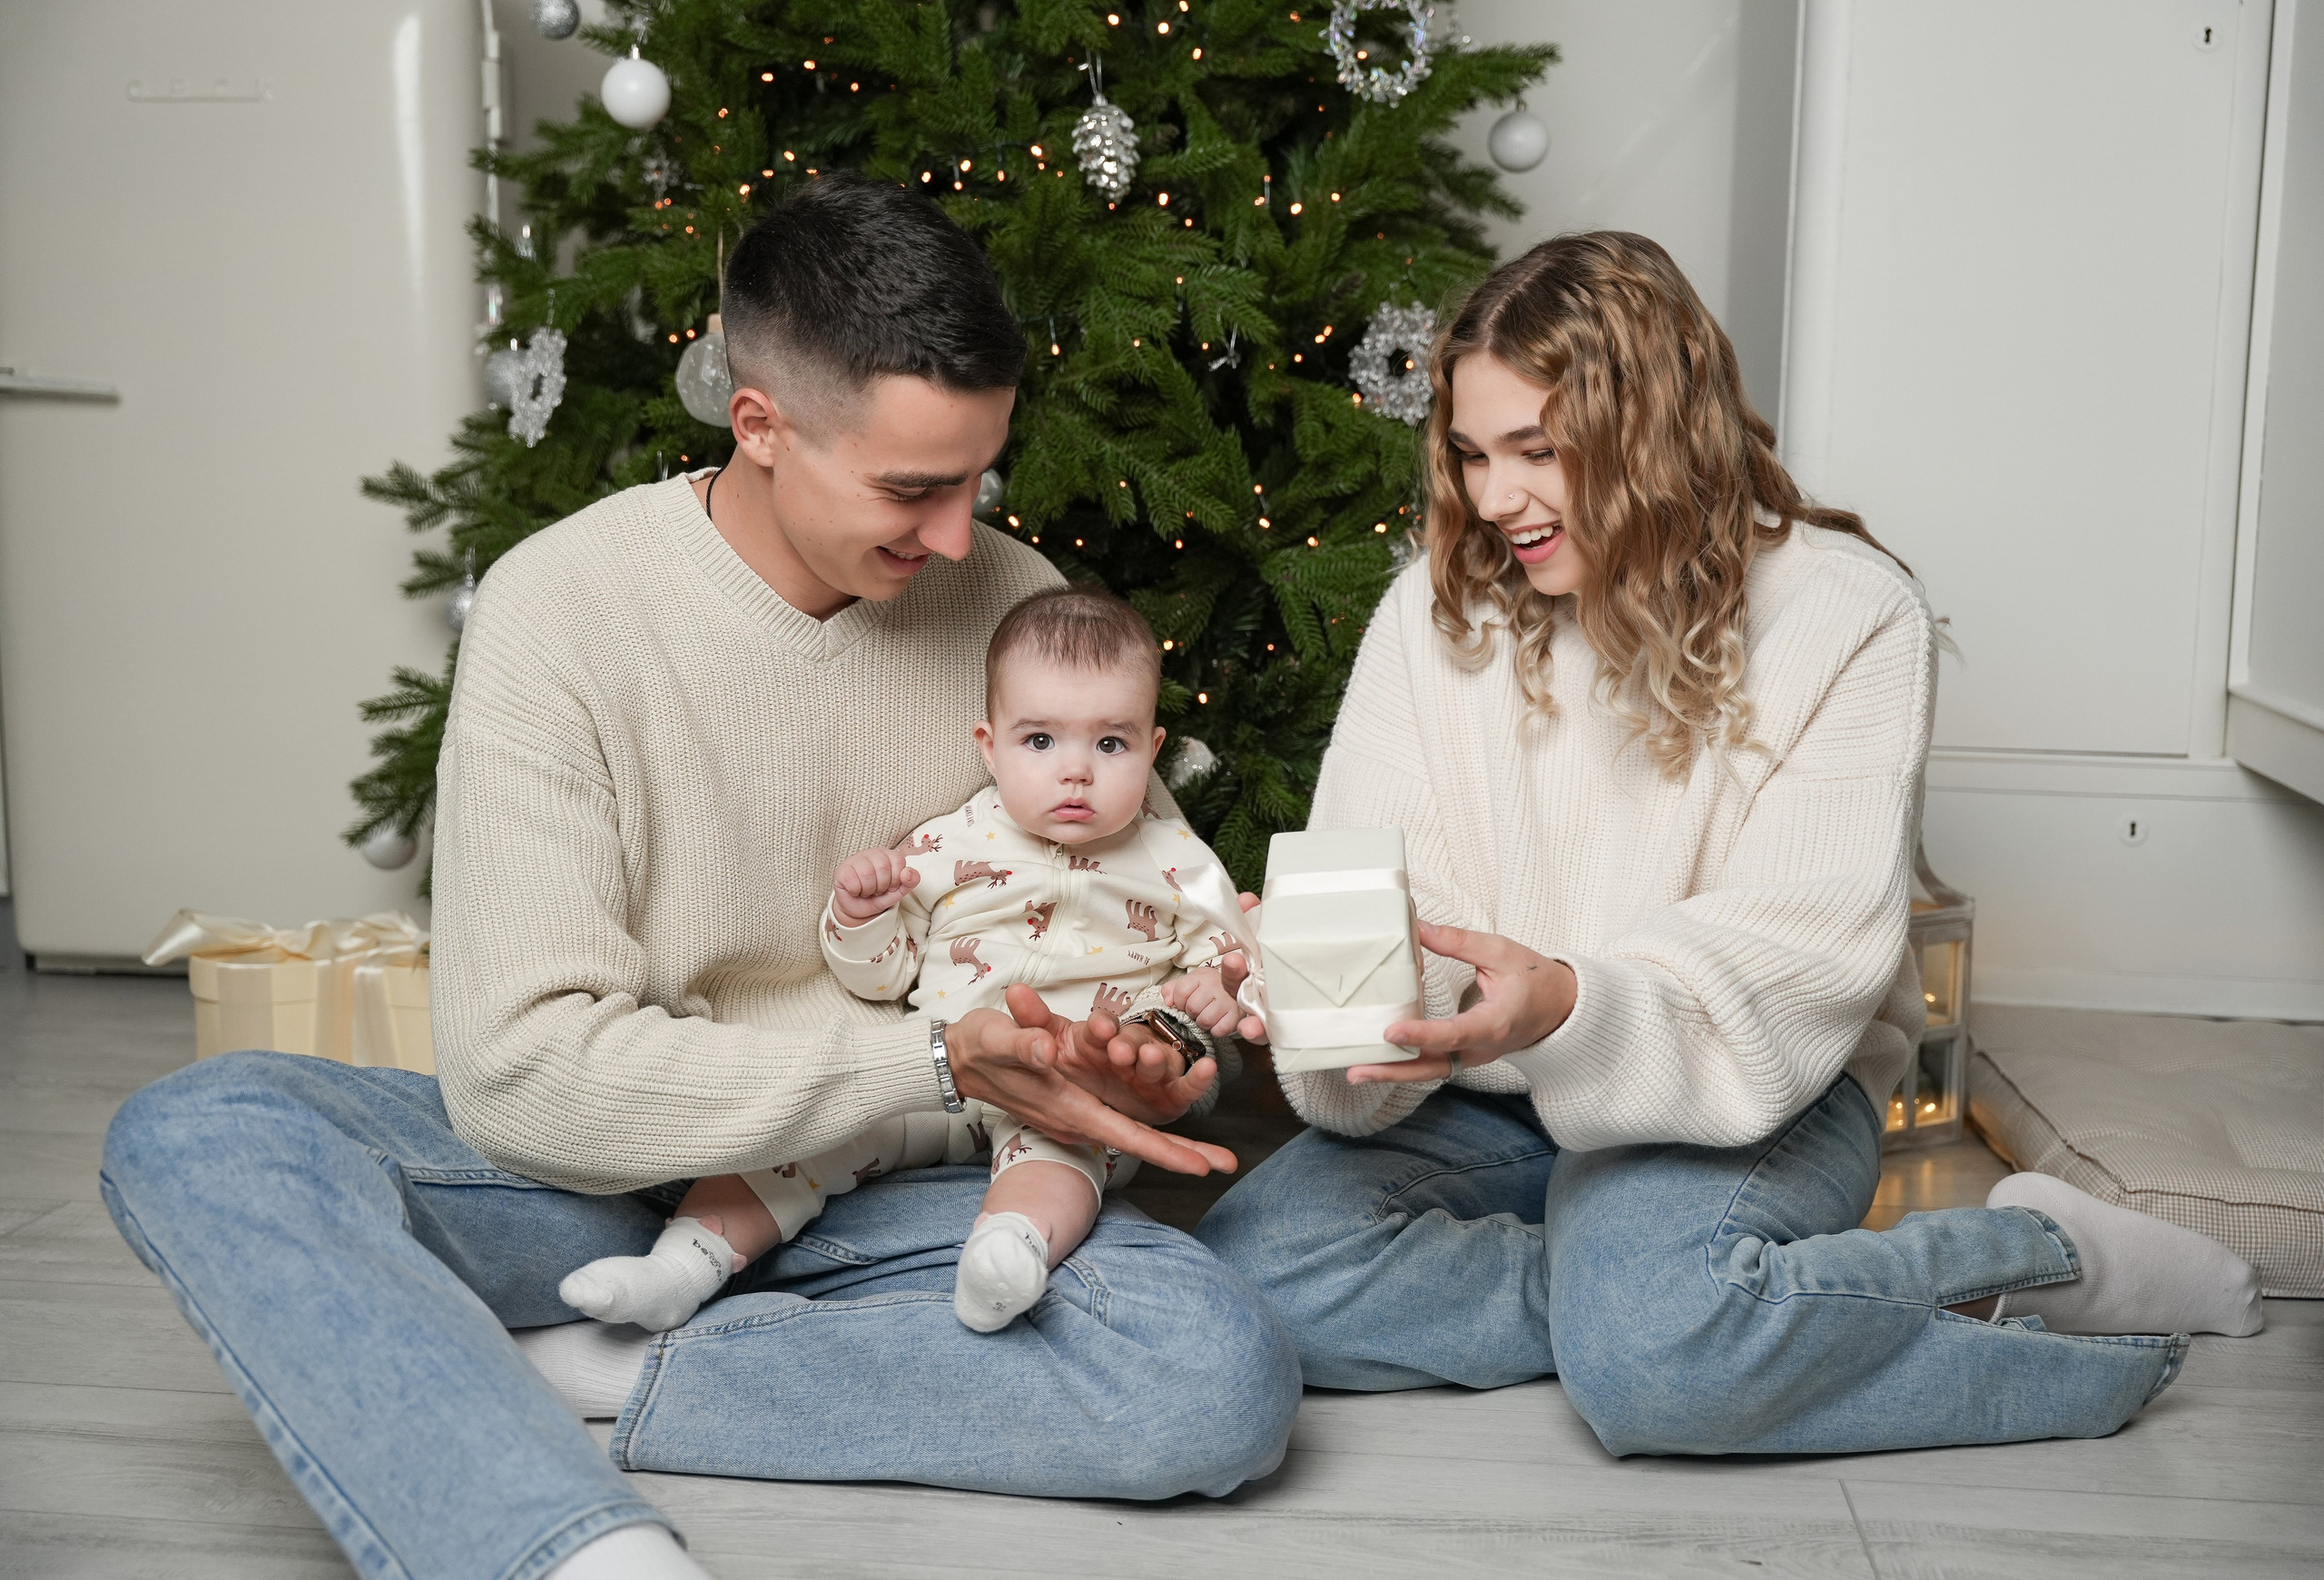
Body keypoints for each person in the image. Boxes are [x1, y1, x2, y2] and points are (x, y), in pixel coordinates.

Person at [99, 176, 1301, 1580]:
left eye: (980, 478)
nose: (962, 538)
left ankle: (584, 1379)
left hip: (931, 1183)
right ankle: (577, 1550)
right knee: (207, 1132)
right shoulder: (564, 611)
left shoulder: (1017, 605)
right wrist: (926, 1063)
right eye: (915, 489)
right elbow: (521, 1076)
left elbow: (1145, 936)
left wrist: (1156, 1055)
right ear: (760, 424)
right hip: (616, 1169)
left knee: (1212, 1373)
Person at [1198, 232, 2262, 1457]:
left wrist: (1564, 1007)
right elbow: (1409, 913)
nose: (1494, 500)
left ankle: (2040, 1257)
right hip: (1496, 1098)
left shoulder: (1851, 617)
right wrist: (1345, 996)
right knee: (1254, 1273)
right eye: (1476, 455)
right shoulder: (1439, 609)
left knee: (1656, 1368)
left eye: (1538, 454)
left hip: (1761, 1094)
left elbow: (1792, 970)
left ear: (1649, 431)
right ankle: (1677, 1295)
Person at [556, 586, 1251, 1337]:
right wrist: (861, 915)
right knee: (814, 1136)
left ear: (1152, 749)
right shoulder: (949, 844)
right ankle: (679, 1269)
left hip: (1074, 1087)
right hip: (938, 1070)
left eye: (1110, 744)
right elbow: (881, 976)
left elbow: (1232, 962)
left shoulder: (1179, 861)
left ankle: (1009, 1253)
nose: (1076, 771)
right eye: (1040, 742)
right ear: (989, 746)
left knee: (1064, 1162)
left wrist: (1214, 990)